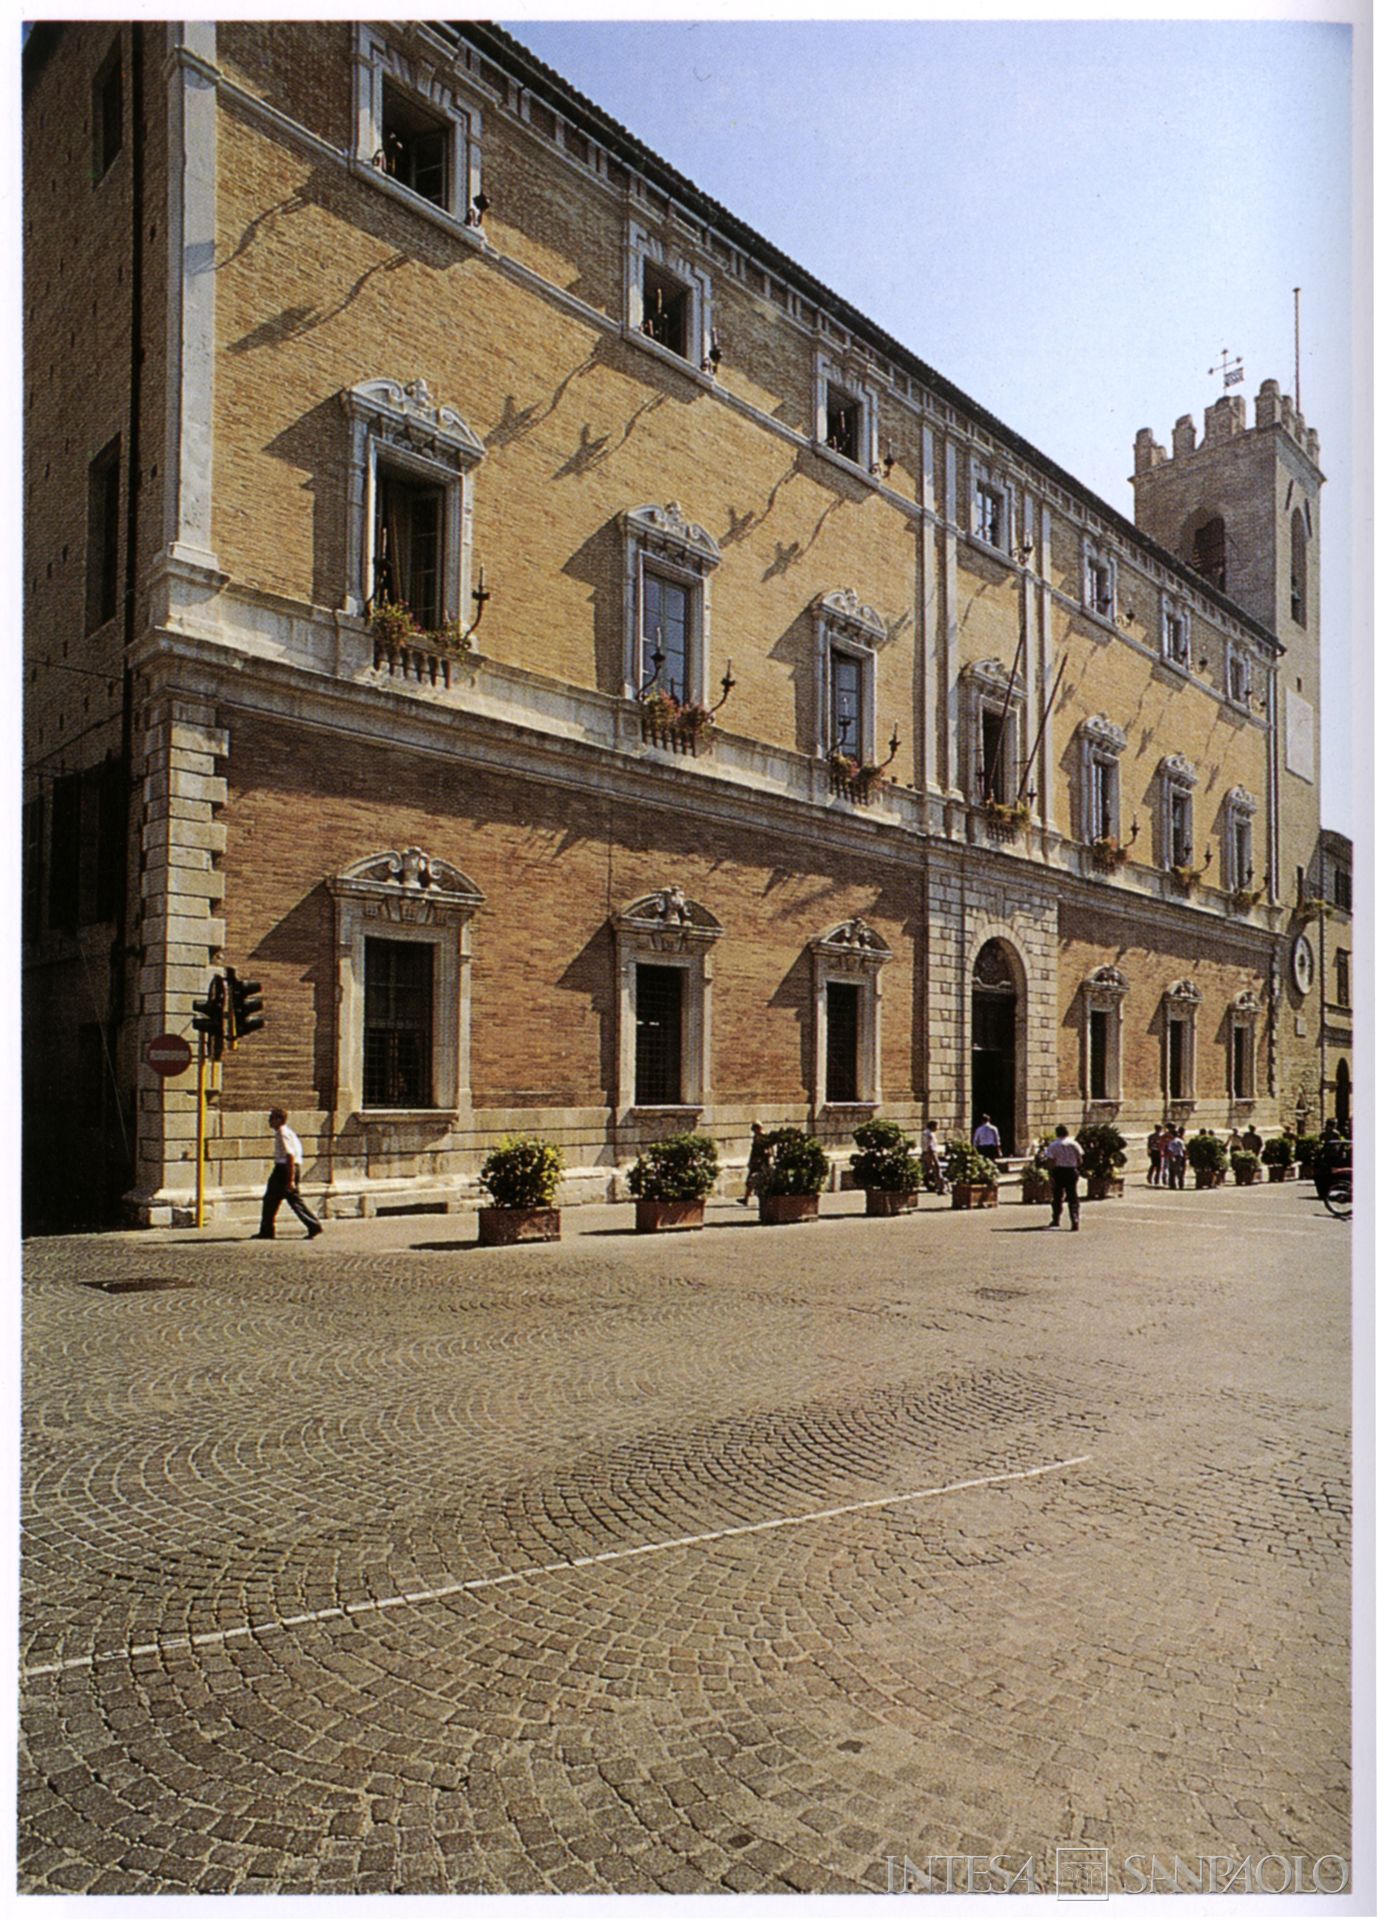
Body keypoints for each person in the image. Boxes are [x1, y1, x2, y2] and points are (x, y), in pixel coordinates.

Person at [256, 1107, 323, 1240]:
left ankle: (313, 1225)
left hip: (284, 1169)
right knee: (279, 1200)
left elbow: (290, 1155)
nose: (269, 1121)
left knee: (275, 1199)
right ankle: (267, 1229)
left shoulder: (282, 1133)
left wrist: (290, 1179)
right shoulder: (288, 1132)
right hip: (289, 1168)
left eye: (272, 1118)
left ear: (279, 1119)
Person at [1040, 1125, 1083, 1230]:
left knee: (1057, 1196)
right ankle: (1075, 1219)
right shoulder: (1074, 1144)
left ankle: (1056, 1219)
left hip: (1059, 1171)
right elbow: (1080, 1159)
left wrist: (1050, 1172)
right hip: (1071, 1170)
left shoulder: (1053, 1145)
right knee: (1073, 1196)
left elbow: (1050, 1160)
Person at [740, 1122, 771, 1204]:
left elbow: (768, 1150)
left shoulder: (763, 1138)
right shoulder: (758, 1137)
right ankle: (746, 1199)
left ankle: (759, 1199)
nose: (754, 1132)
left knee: (758, 1181)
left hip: (760, 1163)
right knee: (751, 1181)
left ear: (758, 1128)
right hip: (757, 1162)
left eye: (754, 1130)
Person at [921, 1121, 946, 1194]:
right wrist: (934, 1158)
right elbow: (930, 1146)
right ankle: (941, 1187)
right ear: (933, 1126)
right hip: (931, 1154)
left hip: (926, 1153)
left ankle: (933, 1185)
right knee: (937, 1169)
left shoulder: (925, 1133)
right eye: (937, 1126)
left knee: (929, 1170)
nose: (938, 1128)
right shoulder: (930, 1134)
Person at [1164, 1125, 1187, 1190]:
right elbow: (1184, 1150)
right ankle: (1181, 1185)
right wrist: (1185, 1157)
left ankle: (1172, 1185)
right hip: (1181, 1157)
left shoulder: (1171, 1142)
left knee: (1172, 1171)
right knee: (1180, 1171)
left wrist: (1171, 1157)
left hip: (1174, 1156)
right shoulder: (1181, 1141)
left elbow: (1170, 1151)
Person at [1146, 1123, 1164, 1187]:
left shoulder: (1151, 1136)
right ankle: (1155, 1178)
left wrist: (1149, 1151)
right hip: (1157, 1151)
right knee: (1157, 1165)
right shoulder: (1161, 1136)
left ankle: (1153, 1177)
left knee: (1155, 1165)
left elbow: (1148, 1144)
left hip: (1155, 1151)